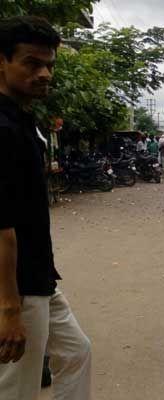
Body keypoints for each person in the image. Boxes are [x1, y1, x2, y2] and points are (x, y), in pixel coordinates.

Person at [0, 16, 91, 400]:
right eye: (31, 63)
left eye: (49, 64)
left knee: (75, 352)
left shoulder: (23, 120)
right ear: (1, 62)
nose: (44, 73)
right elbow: (1, 228)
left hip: (38, 279)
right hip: (17, 287)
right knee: (17, 386)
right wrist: (9, 309)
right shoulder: (2, 130)